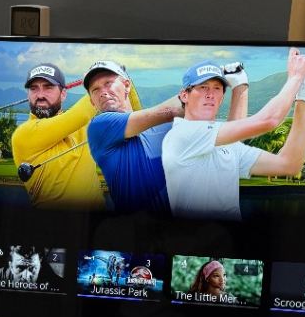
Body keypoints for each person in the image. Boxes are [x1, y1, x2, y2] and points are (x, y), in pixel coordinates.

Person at [162, 48, 305, 221]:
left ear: (222, 97)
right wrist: (296, 78)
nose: (210, 94)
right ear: (184, 95)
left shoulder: (226, 146)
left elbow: (289, 165)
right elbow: (268, 120)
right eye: (203, 87)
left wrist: (304, 99)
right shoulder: (182, 134)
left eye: (217, 88)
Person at [84, 60, 250, 214]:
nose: (103, 92)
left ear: (127, 86)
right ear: (92, 101)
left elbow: (230, 144)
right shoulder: (100, 126)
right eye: (95, 90)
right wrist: (207, 78)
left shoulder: (169, 129)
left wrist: (240, 86)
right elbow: (171, 110)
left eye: (108, 83)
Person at [10, 63, 107, 209]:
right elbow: (81, 113)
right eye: (34, 88)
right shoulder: (24, 134)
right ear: (28, 95)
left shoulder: (83, 127)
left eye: (48, 87)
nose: (40, 95)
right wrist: (100, 80)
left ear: (63, 94)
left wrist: (123, 82)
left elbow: (130, 113)